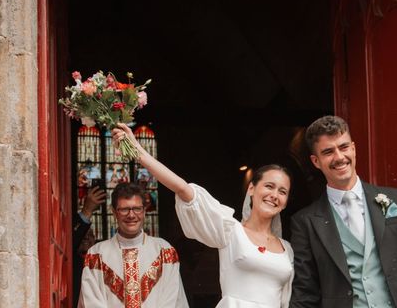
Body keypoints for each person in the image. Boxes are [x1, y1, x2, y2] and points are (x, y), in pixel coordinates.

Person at [112, 123, 294, 308]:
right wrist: (138, 151)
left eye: (282, 191)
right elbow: (183, 189)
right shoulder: (230, 231)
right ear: (252, 188)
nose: (274, 195)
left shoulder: (286, 249)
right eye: (269, 186)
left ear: (286, 201)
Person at [289, 116, 397, 308]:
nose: (339, 157)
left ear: (353, 148)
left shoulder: (394, 200)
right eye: (328, 152)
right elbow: (305, 292)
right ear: (316, 161)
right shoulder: (305, 222)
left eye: (343, 147)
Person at [78, 182, 189, 307]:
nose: (131, 215)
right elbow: (91, 302)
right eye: (124, 209)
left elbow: (172, 299)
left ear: (144, 211)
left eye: (137, 209)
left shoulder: (164, 252)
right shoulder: (96, 255)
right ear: (114, 212)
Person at [73, 186, 106, 307]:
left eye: (91, 235)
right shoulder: (71, 259)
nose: (87, 238)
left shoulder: (102, 260)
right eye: (84, 235)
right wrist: (86, 210)